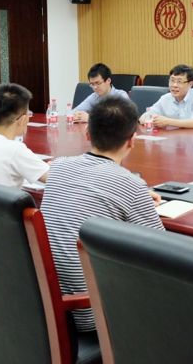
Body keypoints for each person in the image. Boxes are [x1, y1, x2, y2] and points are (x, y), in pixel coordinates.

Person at [41, 95, 164, 332]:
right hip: (91, 312)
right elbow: (163, 251)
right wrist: (137, 196)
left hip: (46, 305)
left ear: (87, 134)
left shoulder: (58, 167)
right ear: (132, 141)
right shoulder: (131, 185)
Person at [139, 64, 193, 130]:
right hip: (174, 137)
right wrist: (148, 119)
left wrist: (168, 121)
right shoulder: (165, 98)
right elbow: (144, 117)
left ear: (190, 84)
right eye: (172, 80)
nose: (174, 85)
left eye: (179, 81)